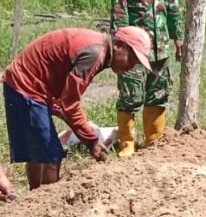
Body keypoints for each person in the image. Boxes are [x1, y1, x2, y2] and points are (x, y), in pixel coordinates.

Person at [1, 27, 153, 191]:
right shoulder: (95, 54)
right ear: (118, 45)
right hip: (27, 86)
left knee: (40, 153)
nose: (131, 66)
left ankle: (34, 199)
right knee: (52, 156)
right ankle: (46, 203)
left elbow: (64, 102)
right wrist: (91, 141)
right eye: (132, 59)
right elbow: (69, 104)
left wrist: (85, 134)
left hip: (24, 83)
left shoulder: (98, 47)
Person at [111, 0, 184, 158]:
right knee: (131, 95)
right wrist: (121, 46)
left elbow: (172, 3)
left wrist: (178, 36)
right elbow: (119, 7)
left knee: (158, 94)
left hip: (160, 46)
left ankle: (154, 142)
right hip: (134, 49)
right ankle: (127, 144)